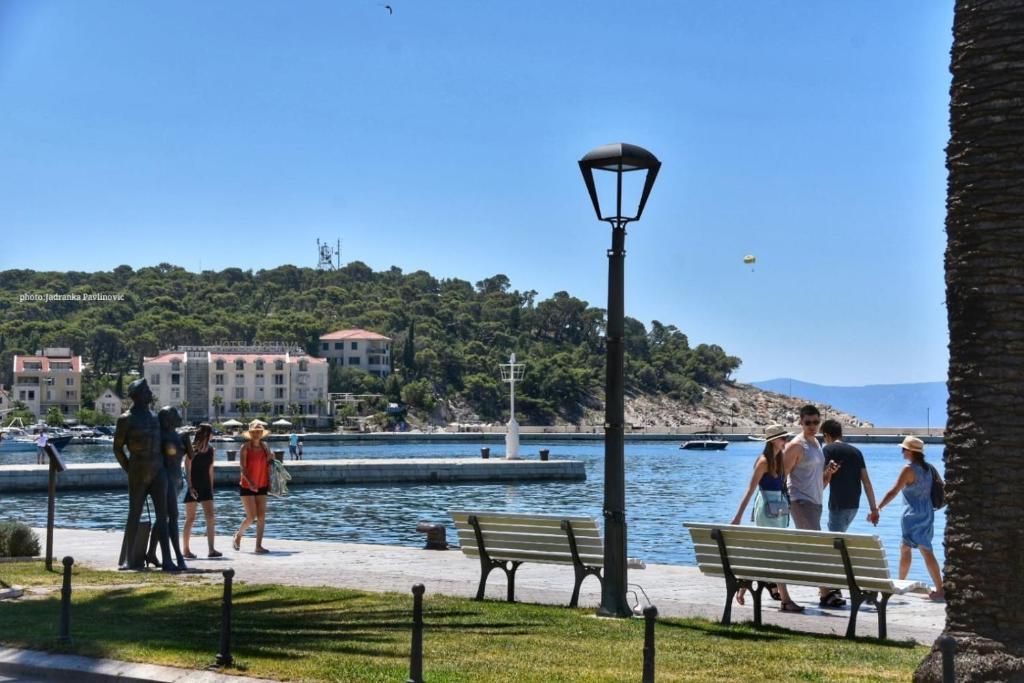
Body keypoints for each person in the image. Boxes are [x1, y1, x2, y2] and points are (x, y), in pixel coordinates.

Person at [731, 424, 803, 613]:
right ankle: (785, 600)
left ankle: (743, 586)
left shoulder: (780, 460)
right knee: (774, 553)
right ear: (773, 441)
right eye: (783, 438)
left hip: (778, 509)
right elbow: (750, 489)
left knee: (766, 552)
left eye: (786, 438)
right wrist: (738, 516)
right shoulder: (763, 461)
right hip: (766, 509)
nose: (786, 441)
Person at [783, 404, 844, 608]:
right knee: (817, 547)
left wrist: (829, 473)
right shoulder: (796, 445)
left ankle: (775, 582)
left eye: (816, 422)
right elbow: (782, 476)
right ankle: (826, 593)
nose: (812, 426)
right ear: (800, 422)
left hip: (816, 502)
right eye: (808, 422)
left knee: (811, 547)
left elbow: (819, 481)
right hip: (800, 501)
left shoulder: (816, 444)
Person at [113, 379, 173, 571]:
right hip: (138, 469)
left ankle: (167, 559)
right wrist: (129, 468)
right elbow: (117, 448)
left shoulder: (155, 417)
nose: (150, 393)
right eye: (146, 391)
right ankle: (129, 559)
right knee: (134, 513)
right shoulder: (126, 419)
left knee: (162, 515)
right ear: (137, 395)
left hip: (158, 470)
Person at [876, 436, 944, 601]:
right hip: (927, 513)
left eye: (904, 449)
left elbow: (894, 491)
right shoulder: (929, 468)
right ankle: (902, 584)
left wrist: (878, 507)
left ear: (911, 452)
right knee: (908, 548)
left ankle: (938, 589)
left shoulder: (908, 469)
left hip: (912, 515)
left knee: (922, 550)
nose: (902, 452)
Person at [145, 406, 188, 570]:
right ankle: (177, 557)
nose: (179, 417)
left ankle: (151, 552)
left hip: (176, 479)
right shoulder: (161, 436)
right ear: (168, 419)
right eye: (175, 415)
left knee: (164, 517)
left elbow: (186, 456)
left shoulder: (177, 435)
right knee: (171, 516)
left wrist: (187, 443)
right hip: (166, 479)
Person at [822, 419, 880, 530]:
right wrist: (873, 509)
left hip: (838, 505)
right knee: (840, 535)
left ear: (826, 435)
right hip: (854, 506)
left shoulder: (828, 450)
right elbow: (866, 482)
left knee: (835, 539)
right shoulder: (857, 452)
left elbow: (821, 481)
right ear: (840, 434)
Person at [183, 423, 222, 559]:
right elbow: (187, 468)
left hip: (206, 486)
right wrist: (190, 486)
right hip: (193, 486)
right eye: (211, 432)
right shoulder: (192, 449)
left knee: (210, 517)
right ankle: (186, 550)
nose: (213, 435)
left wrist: (211, 489)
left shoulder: (211, 450)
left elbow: (211, 469)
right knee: (190, 519)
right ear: (206, 434)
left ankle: (211, 550)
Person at [233, 420, 272, 554]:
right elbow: (242, 469)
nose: (257, 434)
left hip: (262, 484)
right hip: (247, 485)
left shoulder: (265, 447)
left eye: (259, 431)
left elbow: (268, 465)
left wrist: (270, 481)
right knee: (251, 516)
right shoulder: (245, 448)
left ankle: (258, 546)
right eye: (254, 432)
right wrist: (250, 483)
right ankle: (238, 535)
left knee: (261, 516)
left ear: (262, 433)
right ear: (250, 433)